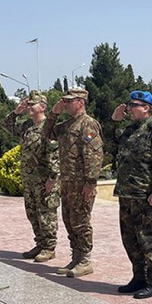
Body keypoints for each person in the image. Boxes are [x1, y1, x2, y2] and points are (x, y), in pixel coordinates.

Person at [110, 90, 152, 299]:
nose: (129, 109)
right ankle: (138, 277)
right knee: (130, 239)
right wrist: (114, 122)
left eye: (134, 105)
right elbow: (111, 143)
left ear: (146, 108)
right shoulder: (129, 130)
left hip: (146, 196)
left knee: (148, 240)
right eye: (129, 105)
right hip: (127, 194)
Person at [42, 86, 104, 277]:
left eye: (70, 101)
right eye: (65, 101)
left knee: (81, 222)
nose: (66, 104)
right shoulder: (68, 125)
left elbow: (94, 155)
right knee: (69, 220)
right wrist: (53, 113)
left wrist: (90, 183)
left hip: (81, 184)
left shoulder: (88, 124)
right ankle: (76, 257)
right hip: (67, 183)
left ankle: (85, 260)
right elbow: (47, 133)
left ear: (81, 102)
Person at [2, 90, 60, 263]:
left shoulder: (48, 128)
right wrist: (15, 112)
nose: (28, 107)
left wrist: (53, 178)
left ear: (42, 107)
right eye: (27, 104)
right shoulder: (27, 126)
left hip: (45, 180)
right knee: (32, 213)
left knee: (46, 214)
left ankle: (49, 247)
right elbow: (7, 126)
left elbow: (55, 154)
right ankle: (40, 244)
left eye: (31, 104)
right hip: (30, 180)